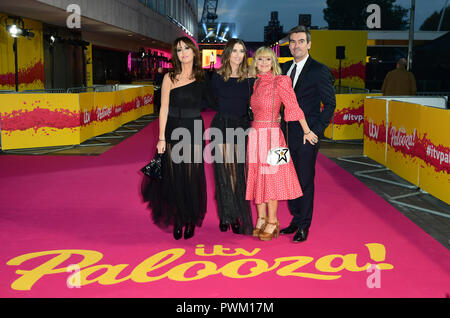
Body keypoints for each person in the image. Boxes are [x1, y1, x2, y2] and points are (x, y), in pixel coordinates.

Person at [141, 37, 216, 240]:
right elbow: (163, 109)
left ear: (194, 51)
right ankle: (178, 218)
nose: (183, 52)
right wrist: (161, 138)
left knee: (191, 175)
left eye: (186, 48)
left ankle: (191, 218)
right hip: (173, 129)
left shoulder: (203, 78)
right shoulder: (169, 77)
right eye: (179, 49)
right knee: (174, 176)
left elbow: (215, 101)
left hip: (193, 130)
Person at [246, 46, 318, 241]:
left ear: (273, 63)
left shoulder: (281, 81)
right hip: (255, 135)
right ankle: (260, 218)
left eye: (267, 60)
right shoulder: (256, 84)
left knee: (271, 179)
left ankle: (272, 221)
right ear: (255, 62)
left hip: (272, 137)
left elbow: (293, 107)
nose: (263, 63)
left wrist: (307, 130)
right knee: (257, 176)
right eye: (260, 59)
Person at [280, 26, 336, 243]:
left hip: (306, 135)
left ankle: (304, 225)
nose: (296, 45)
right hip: (285, 134)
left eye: (301, 41)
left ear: (309, 44)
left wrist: (315, 132)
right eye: (293, 41)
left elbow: (330, 105)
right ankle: (295, 218)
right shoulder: (284, 68)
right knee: (289, 179)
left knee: (304, 180)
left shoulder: (319, 70)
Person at [209, 39, 254, 235]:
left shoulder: (250, 78)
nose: (238, 54)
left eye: (241, 51)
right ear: (227, 53)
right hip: (222, 125)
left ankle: (235, 213)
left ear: (245, 55)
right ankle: (225, 215)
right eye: (234, 50)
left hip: (241, 126)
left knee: (236, 172)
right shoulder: (217, 77)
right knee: (223, 170)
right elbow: (210, 101)